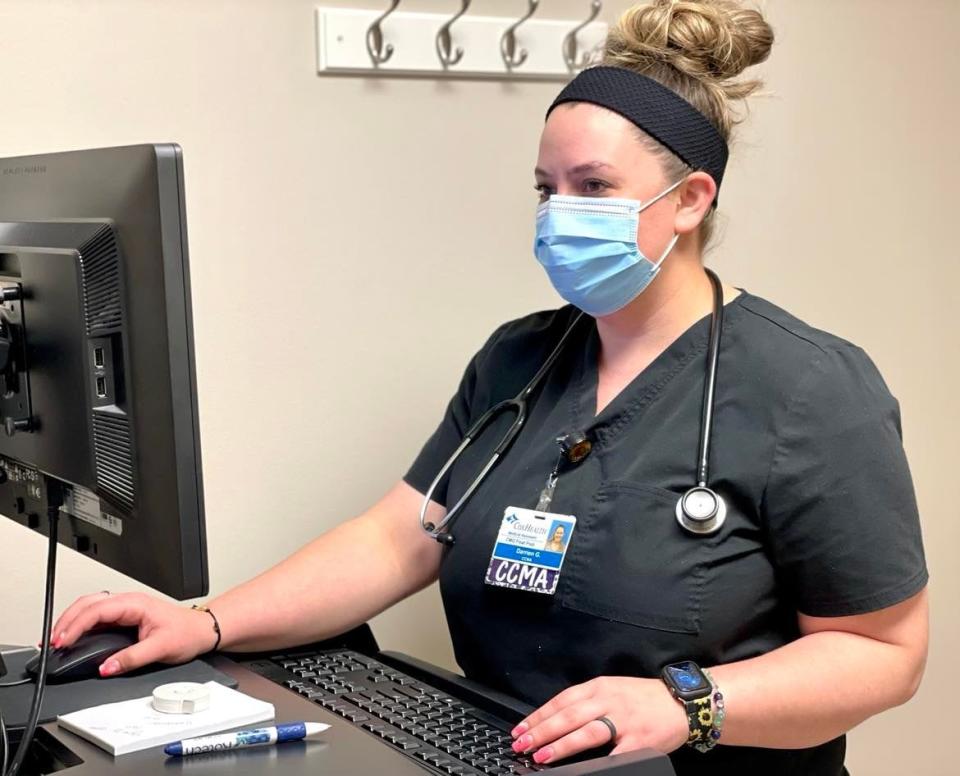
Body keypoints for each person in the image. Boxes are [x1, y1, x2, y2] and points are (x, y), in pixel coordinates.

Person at [48, 1, 928, 774]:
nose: (557, 215)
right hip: (499, 754)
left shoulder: (810, 388)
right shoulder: (520, 360)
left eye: (593, 188)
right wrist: (206, 623)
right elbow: (401, 539)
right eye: (546, 188)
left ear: (691, 199)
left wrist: (683, 706)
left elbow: (883, 651)